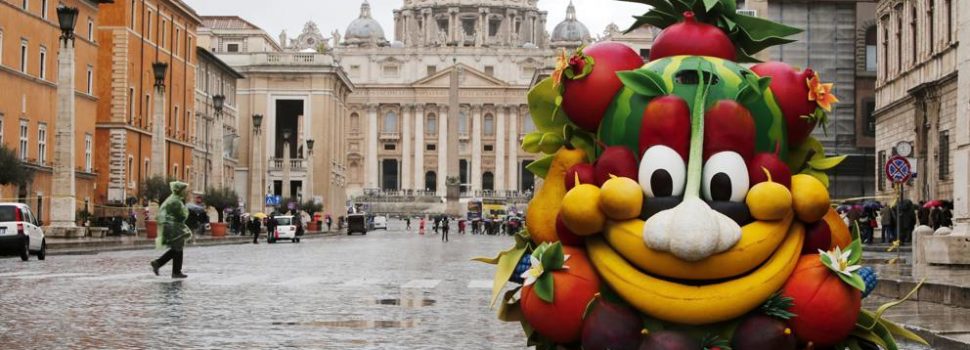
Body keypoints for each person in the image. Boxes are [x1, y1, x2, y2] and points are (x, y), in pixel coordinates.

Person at [150, 181, 192, 279]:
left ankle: (160, 264)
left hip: (170, 226)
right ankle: (174, 271)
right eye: (183, 190)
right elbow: (182, 215)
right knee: (177, 248)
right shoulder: (176, 201)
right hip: (173, 226)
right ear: (179, 190)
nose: (185, 192)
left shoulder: (173, 199)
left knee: (177, 248)